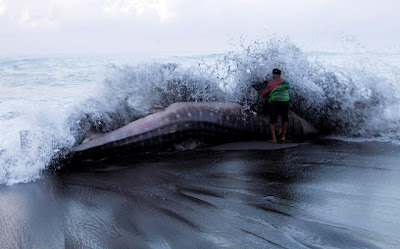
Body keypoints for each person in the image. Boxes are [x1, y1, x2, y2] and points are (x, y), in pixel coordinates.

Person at [258, 68, 290, 143]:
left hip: (275, 102)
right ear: (280, 75)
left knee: (272, 121)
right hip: (285, 101)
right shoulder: (286, 82)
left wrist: (260, 92)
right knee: (285, 119)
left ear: (273, 75)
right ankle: (283, 137)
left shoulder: (271, 84)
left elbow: (263, 94)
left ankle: (274, 139)